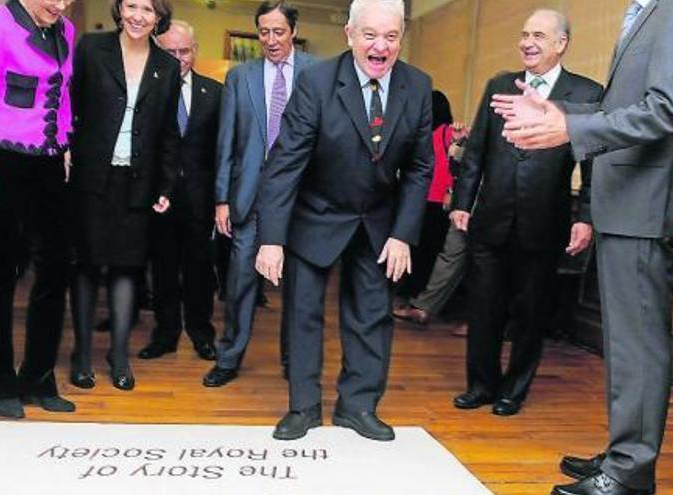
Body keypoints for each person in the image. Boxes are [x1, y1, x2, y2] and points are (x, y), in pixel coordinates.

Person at [493, 0, 673, 493]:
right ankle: (624, 452)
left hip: (645, 199)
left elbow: (665, 111)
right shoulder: (646, 11)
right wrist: (559, 111)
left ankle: (631, 471)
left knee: (638, 344)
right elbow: (620, 110)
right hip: (626, 200)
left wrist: (569, 129)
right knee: (625, 342)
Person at [255, 0, 433, 441]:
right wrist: (272, 238)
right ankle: (303, 408)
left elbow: (419, 168)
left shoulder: (417, 85)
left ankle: (358, 407)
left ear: (401, 38)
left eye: (391, 37)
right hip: (314, 216)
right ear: (349, 35)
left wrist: (403, 233)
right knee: (302, 314)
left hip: (376, 222)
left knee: (372, 316)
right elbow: (285, 163)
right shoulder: (316, 82)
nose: (381, 47)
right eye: (370, 35)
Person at [449, 9, 602, 418]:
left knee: (532, 313)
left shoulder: (586, 95)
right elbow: (476, 149)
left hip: (544, 222)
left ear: (560, 44)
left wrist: (585, 216)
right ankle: (480, 385)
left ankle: (513, 391)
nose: (527, 42)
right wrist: (463, 202)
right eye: (524, 34)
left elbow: (595, 168)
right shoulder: (500, 85)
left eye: (538, 35)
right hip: (490, 218)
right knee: (482, 307)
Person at [0, 0, 76, 419]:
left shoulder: (66, 30)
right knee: (0, 273)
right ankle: (0, 382)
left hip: (48, 161)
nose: (61, 5)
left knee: (57, 267)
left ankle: (38, 377)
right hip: (1, 158)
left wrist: (63, 144)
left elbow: (63, 97)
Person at [68, 0, 179, 391]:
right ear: (119, 8)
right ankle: (81, 355)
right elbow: (69, 106)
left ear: (159, 17)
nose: (137, 15)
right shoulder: (90, 48)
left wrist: (166, 185)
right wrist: (65, 150)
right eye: (131, 5)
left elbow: (168, 132)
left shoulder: (167, 66)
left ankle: (118, 354)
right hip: (89, 177)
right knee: (85, 265)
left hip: (139, 181)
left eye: (147, 9)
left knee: (127, 267)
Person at [205, 0, 316, 387]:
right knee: (239, 282)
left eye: (278, 32)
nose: (270, 40)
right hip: (249, 197)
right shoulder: (241, 77)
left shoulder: (316, 74)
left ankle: (294, 360)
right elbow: (227, 142)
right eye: (264, 31)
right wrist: (222, 198)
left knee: (301, 287)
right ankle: (229, 357)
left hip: (302, 198)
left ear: (293, 32)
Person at [139, 20, 221, 362]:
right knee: (163, 268)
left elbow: (223, 149)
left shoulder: (215, 92)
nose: (177, 59)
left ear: (195, 51)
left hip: (201, 198)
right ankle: (166, 333)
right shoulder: (147, 91)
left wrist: (221, 198)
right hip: (160, 197)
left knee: (200, 268)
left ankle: (201, 332)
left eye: (184, 51)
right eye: (169, 52)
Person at [393, 90, 464, 319]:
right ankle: (415, 295)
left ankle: (417, 297)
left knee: (423, 250)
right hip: (427, 200)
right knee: (424, 250)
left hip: (431, 201)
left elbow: (459, 152)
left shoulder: (444, 132)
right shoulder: (427, 133)